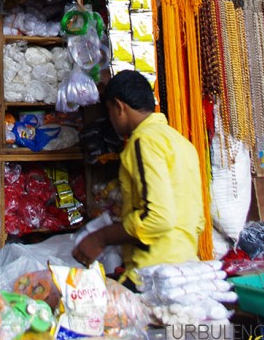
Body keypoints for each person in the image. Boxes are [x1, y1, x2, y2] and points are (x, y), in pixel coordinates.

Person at [73, 70, 204, 285]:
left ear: (119, 107)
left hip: (154, 274)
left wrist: (101, 237)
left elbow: (158, 218)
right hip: (187, 266)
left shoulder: (143, 142)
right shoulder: (181, 142)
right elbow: (196, 220)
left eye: (109, 111)